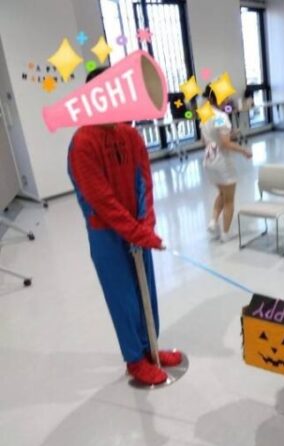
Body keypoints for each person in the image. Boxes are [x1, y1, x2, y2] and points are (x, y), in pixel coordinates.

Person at [68, 68, 181, 386]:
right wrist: (136, 231)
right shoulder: (82, 144)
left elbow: (144, 181)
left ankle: (151, 347)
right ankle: (135, 359)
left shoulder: (130, 136)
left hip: (137, 230)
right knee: (123, 298)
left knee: (147, 291)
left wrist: (146, 224)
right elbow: (101, 201)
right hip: (106, 235)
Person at [201, 85, 252, 242]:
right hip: (222, 162)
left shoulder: (205, 113)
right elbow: (225, 143)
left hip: (209, 159)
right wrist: (244, 150)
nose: (227, 99)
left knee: (222, 193)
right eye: (224, 96)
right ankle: (225, 234)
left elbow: (206, 139)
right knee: (229, 199)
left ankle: (213, 221)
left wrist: (229, 134)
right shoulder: (221, 116)